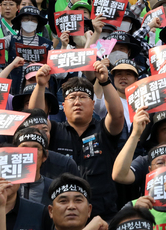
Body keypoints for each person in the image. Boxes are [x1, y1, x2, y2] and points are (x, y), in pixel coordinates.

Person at [29, 62, 125, 221]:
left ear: (93, 104)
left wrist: (105, 82)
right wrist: (40, 85)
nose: (77, 102)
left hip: (103, 215)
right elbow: (36, 119)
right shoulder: (53, 130)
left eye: (83, 97)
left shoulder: (104, 130)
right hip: (62, 215)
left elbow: (117, 116)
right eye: (72, 98)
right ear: (63, 106)